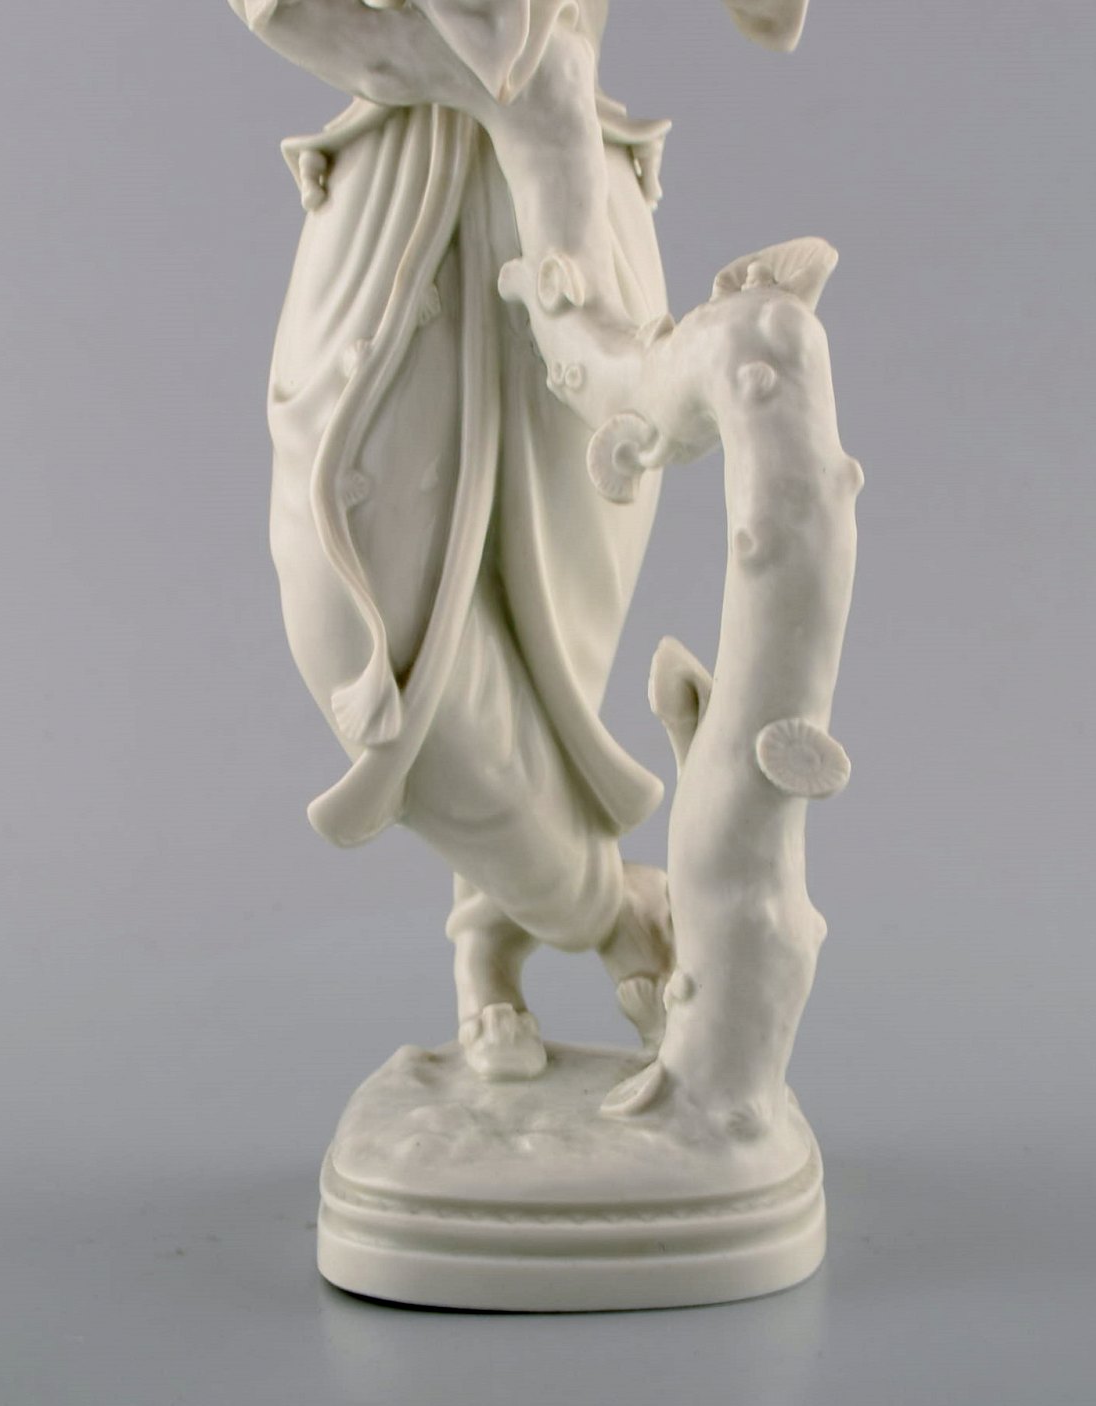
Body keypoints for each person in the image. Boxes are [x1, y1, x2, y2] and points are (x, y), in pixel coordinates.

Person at [228, 0, 767, 1079]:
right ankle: (607, 907)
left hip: (570, 234)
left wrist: (535, 93)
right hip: (391, 211)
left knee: (550, 637)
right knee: (362, 623)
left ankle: (488, 944)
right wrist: (465, 77)